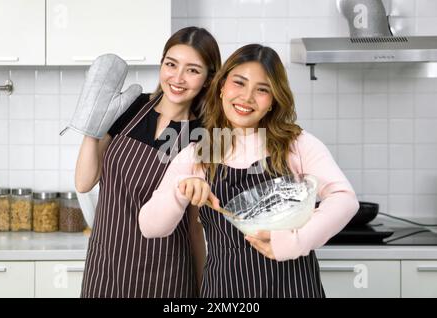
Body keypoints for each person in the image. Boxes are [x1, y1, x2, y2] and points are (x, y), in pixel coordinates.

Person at [139, 44, 359, 298]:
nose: (247, 97)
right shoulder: (199, 152)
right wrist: (181, 188)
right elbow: (150, 227)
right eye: (239, 83)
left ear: (273, 100)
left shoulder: (296, 144)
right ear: (222, 87)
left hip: (296, 289)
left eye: (262, 90)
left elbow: (344, 199)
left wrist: (294, 242)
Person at [75, 27, 221, 298]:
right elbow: (84, 182)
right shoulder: (130, 107)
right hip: (105, 266)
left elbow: (194, 224)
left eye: (192, 70)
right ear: (161, 63)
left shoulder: (206, 136)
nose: (177, 78)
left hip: (165, 274)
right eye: (171, 64)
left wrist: (201, 288)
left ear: (208, 79)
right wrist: (91, 126)